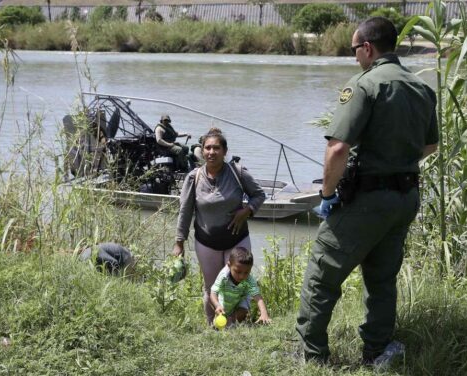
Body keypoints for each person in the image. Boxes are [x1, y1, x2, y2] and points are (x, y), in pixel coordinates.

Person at [296, 17, 439, 366]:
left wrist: (328, 195)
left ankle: (312, 357)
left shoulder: (365, 85)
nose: (354, 57)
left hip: (367, 199)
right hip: (405, 198)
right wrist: (395, 160)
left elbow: (337, 149)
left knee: (321, 275)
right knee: (382, 278)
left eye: (353, 49)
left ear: (368, 48)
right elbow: (431, 145)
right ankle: (377, 351)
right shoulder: (421, 88)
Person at [173, 128, 266, 325]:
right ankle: (211, 325)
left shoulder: (238, 172)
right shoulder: (194, 177)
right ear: (202, 150)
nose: (211, 152)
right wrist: (179, 242)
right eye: (207, 148)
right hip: (206, 242)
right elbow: (185, 211)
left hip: (237, 240)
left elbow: (259, 195)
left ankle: (234, 324)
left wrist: (247, 210)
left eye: (216, 148)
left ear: (225, 151)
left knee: (240, 285)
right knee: (211, 287)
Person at [210, 247, 271, 327]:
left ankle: (234, 325)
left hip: (241, 297)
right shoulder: (223, 276)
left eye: (246, 272)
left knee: (242, 312)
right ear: (229, 265)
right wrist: (217, 305)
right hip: (224, 299)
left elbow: (257, 297)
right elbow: (213, 292)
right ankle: (222, 325)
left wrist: (264, 313)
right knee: (220, 321)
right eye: (238, 272)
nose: (242, 276)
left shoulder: (249, 279)